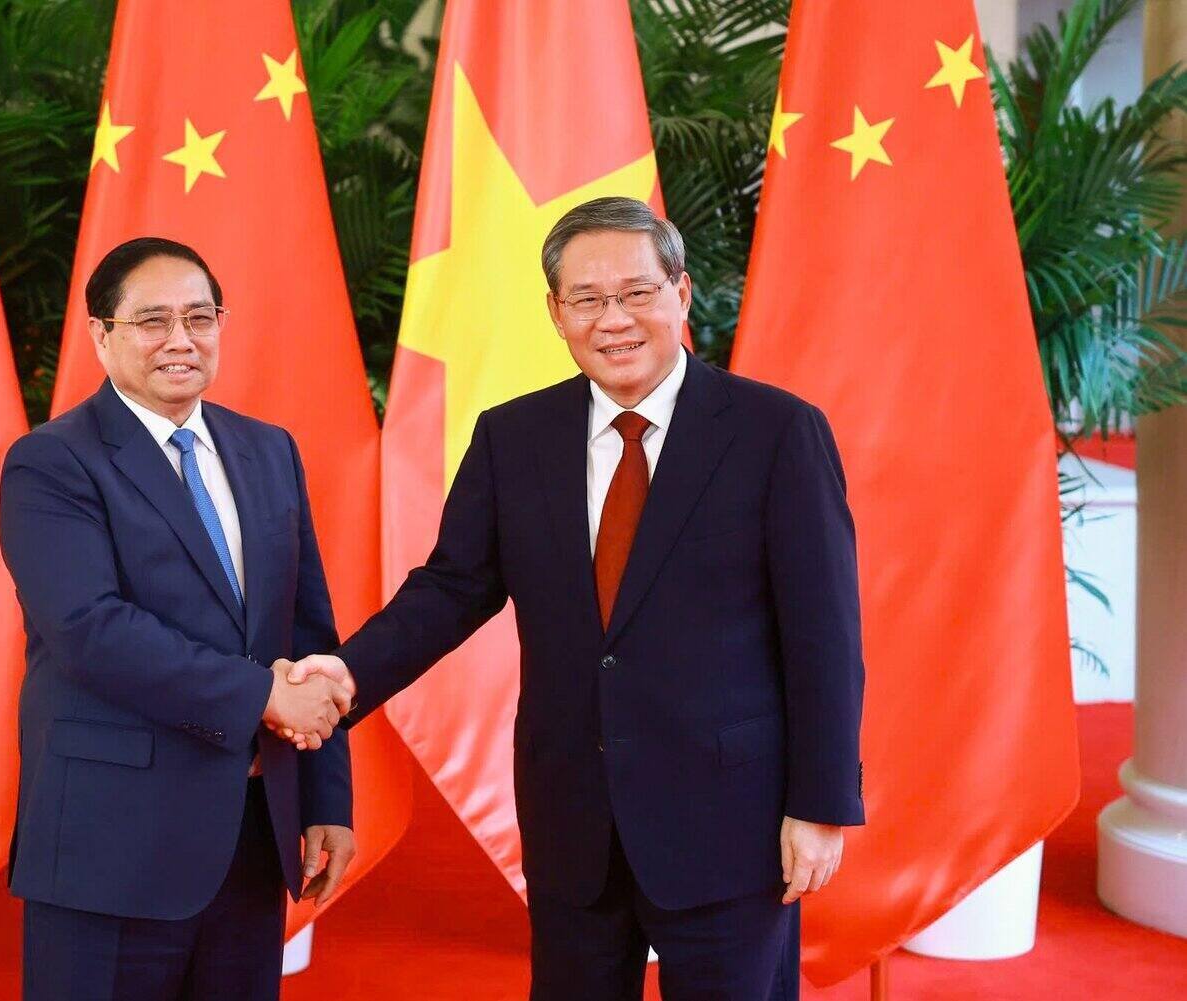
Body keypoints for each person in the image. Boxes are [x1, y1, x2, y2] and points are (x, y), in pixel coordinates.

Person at [289, 197, 865, 1000]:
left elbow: (824, 635)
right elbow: (451, 588)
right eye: (587, 299)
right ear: (556, 313)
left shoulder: (776, 432)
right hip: (573, 816)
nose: (614, 319)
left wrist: (822, 802)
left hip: (732, 822)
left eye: (636, 293)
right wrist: (346, 675)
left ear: (681, 293)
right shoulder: (513, 437)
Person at [0, 236, 356, 1001]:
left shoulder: (268, 450)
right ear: (101, 334)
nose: (180, 339)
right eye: (152, 320)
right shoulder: (52, 462)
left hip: (250, 838)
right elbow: (90, 628)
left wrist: (326, 798)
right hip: (108, 848)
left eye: (199, 317)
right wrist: (261, 694)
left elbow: (307, 634)